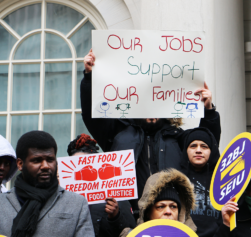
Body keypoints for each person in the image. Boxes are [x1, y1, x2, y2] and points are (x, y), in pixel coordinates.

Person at [81, 49, 221, 215]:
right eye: (148, 103)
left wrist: (208, 111)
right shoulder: (117, 133)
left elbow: (207, 144)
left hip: (172, 218)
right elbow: (92, 115)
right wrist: (90, 78)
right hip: (129, 219)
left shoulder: (178, 137)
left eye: (157, 103)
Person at [0, 130, 94, 237]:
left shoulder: (77, 204)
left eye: (50, 159)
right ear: (20, 164)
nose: (46, 166)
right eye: (37, 160)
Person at [67, 133, 136, 237]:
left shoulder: (117, 200)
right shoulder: (65, 201)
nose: (81, 170)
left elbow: (131, 232)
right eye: (76, 165)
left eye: (85, 165)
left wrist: (115, 217)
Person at [119, 168, 196, 237]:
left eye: (173, 206)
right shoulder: (132, 235)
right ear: (147, 212)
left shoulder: (191, 235)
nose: (168, 211)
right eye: (161, 207)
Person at [179, 127, 221, 237]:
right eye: (193, 146)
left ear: (212, 150)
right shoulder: (176, 179)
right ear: (186, 150)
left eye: (204, 146)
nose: (198, 150)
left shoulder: (223, 178)